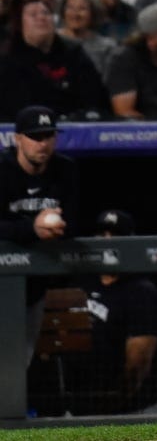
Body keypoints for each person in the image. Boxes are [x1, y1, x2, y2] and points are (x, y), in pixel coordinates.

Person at [0, 105, 76, 367]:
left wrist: (60, 227)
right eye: (35, 137)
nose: (42, 144)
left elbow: (81, 219)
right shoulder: (2, 170)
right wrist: (32, 228)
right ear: (17, 138)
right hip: (2, 276)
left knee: (19, 365)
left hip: (33, 288)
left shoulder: (66, 170)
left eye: (48, 136)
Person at [68, 209, 157, 415]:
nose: (108, 242)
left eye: (116, 236)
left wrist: (108, 408)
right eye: (102, 235)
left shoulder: (141, 290)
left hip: (133, 409)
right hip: (81, 407)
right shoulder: (80, 283)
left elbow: (138, 366)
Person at [0, 0, 109, 120]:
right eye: (33, 14)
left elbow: (95, 99)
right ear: (20, 24)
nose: (41, 17)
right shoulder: (7, 59)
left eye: (46, 13)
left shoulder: (74, 53)